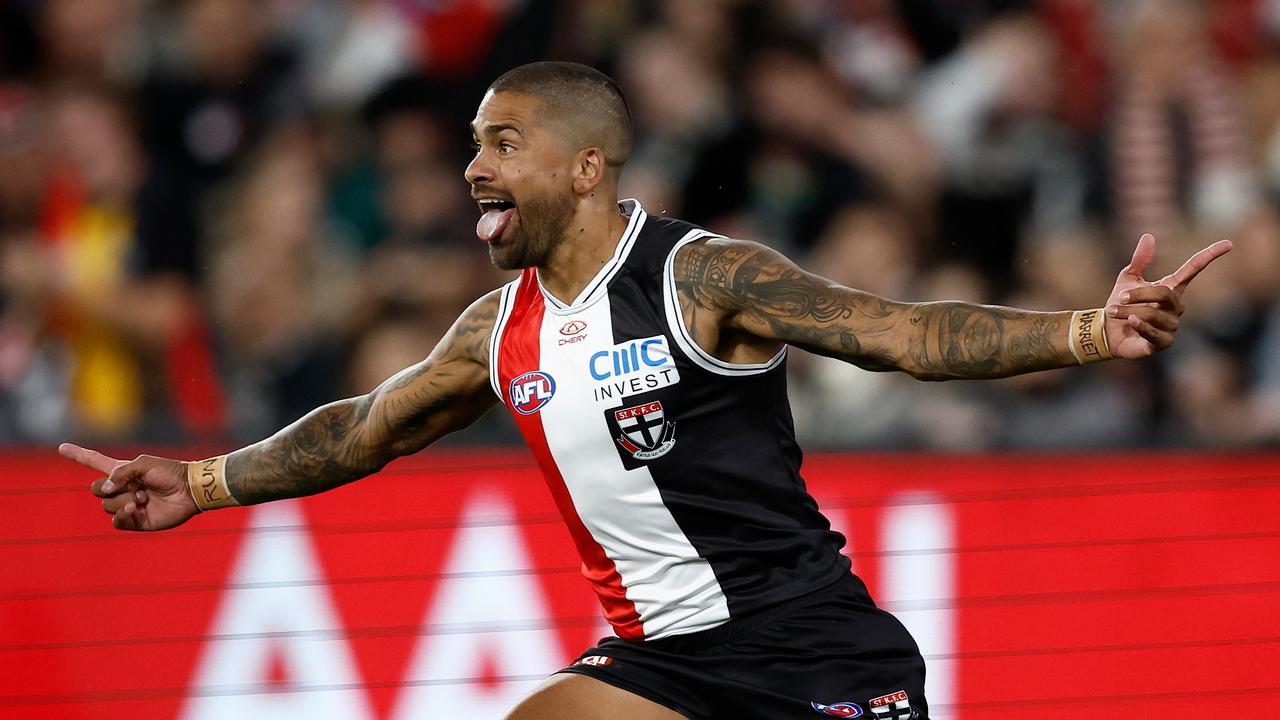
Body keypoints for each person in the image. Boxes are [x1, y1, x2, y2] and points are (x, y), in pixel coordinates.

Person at [60, 62, 1232, 720]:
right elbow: (364, 429)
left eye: (503, 141)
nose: (474, 165)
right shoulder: (495, 330)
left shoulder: (698, 274)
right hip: (661, 669)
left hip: (812, 648)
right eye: (473, 141)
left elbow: (898, 334)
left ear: (584, 166)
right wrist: (203, 479)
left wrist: (1089, 326)